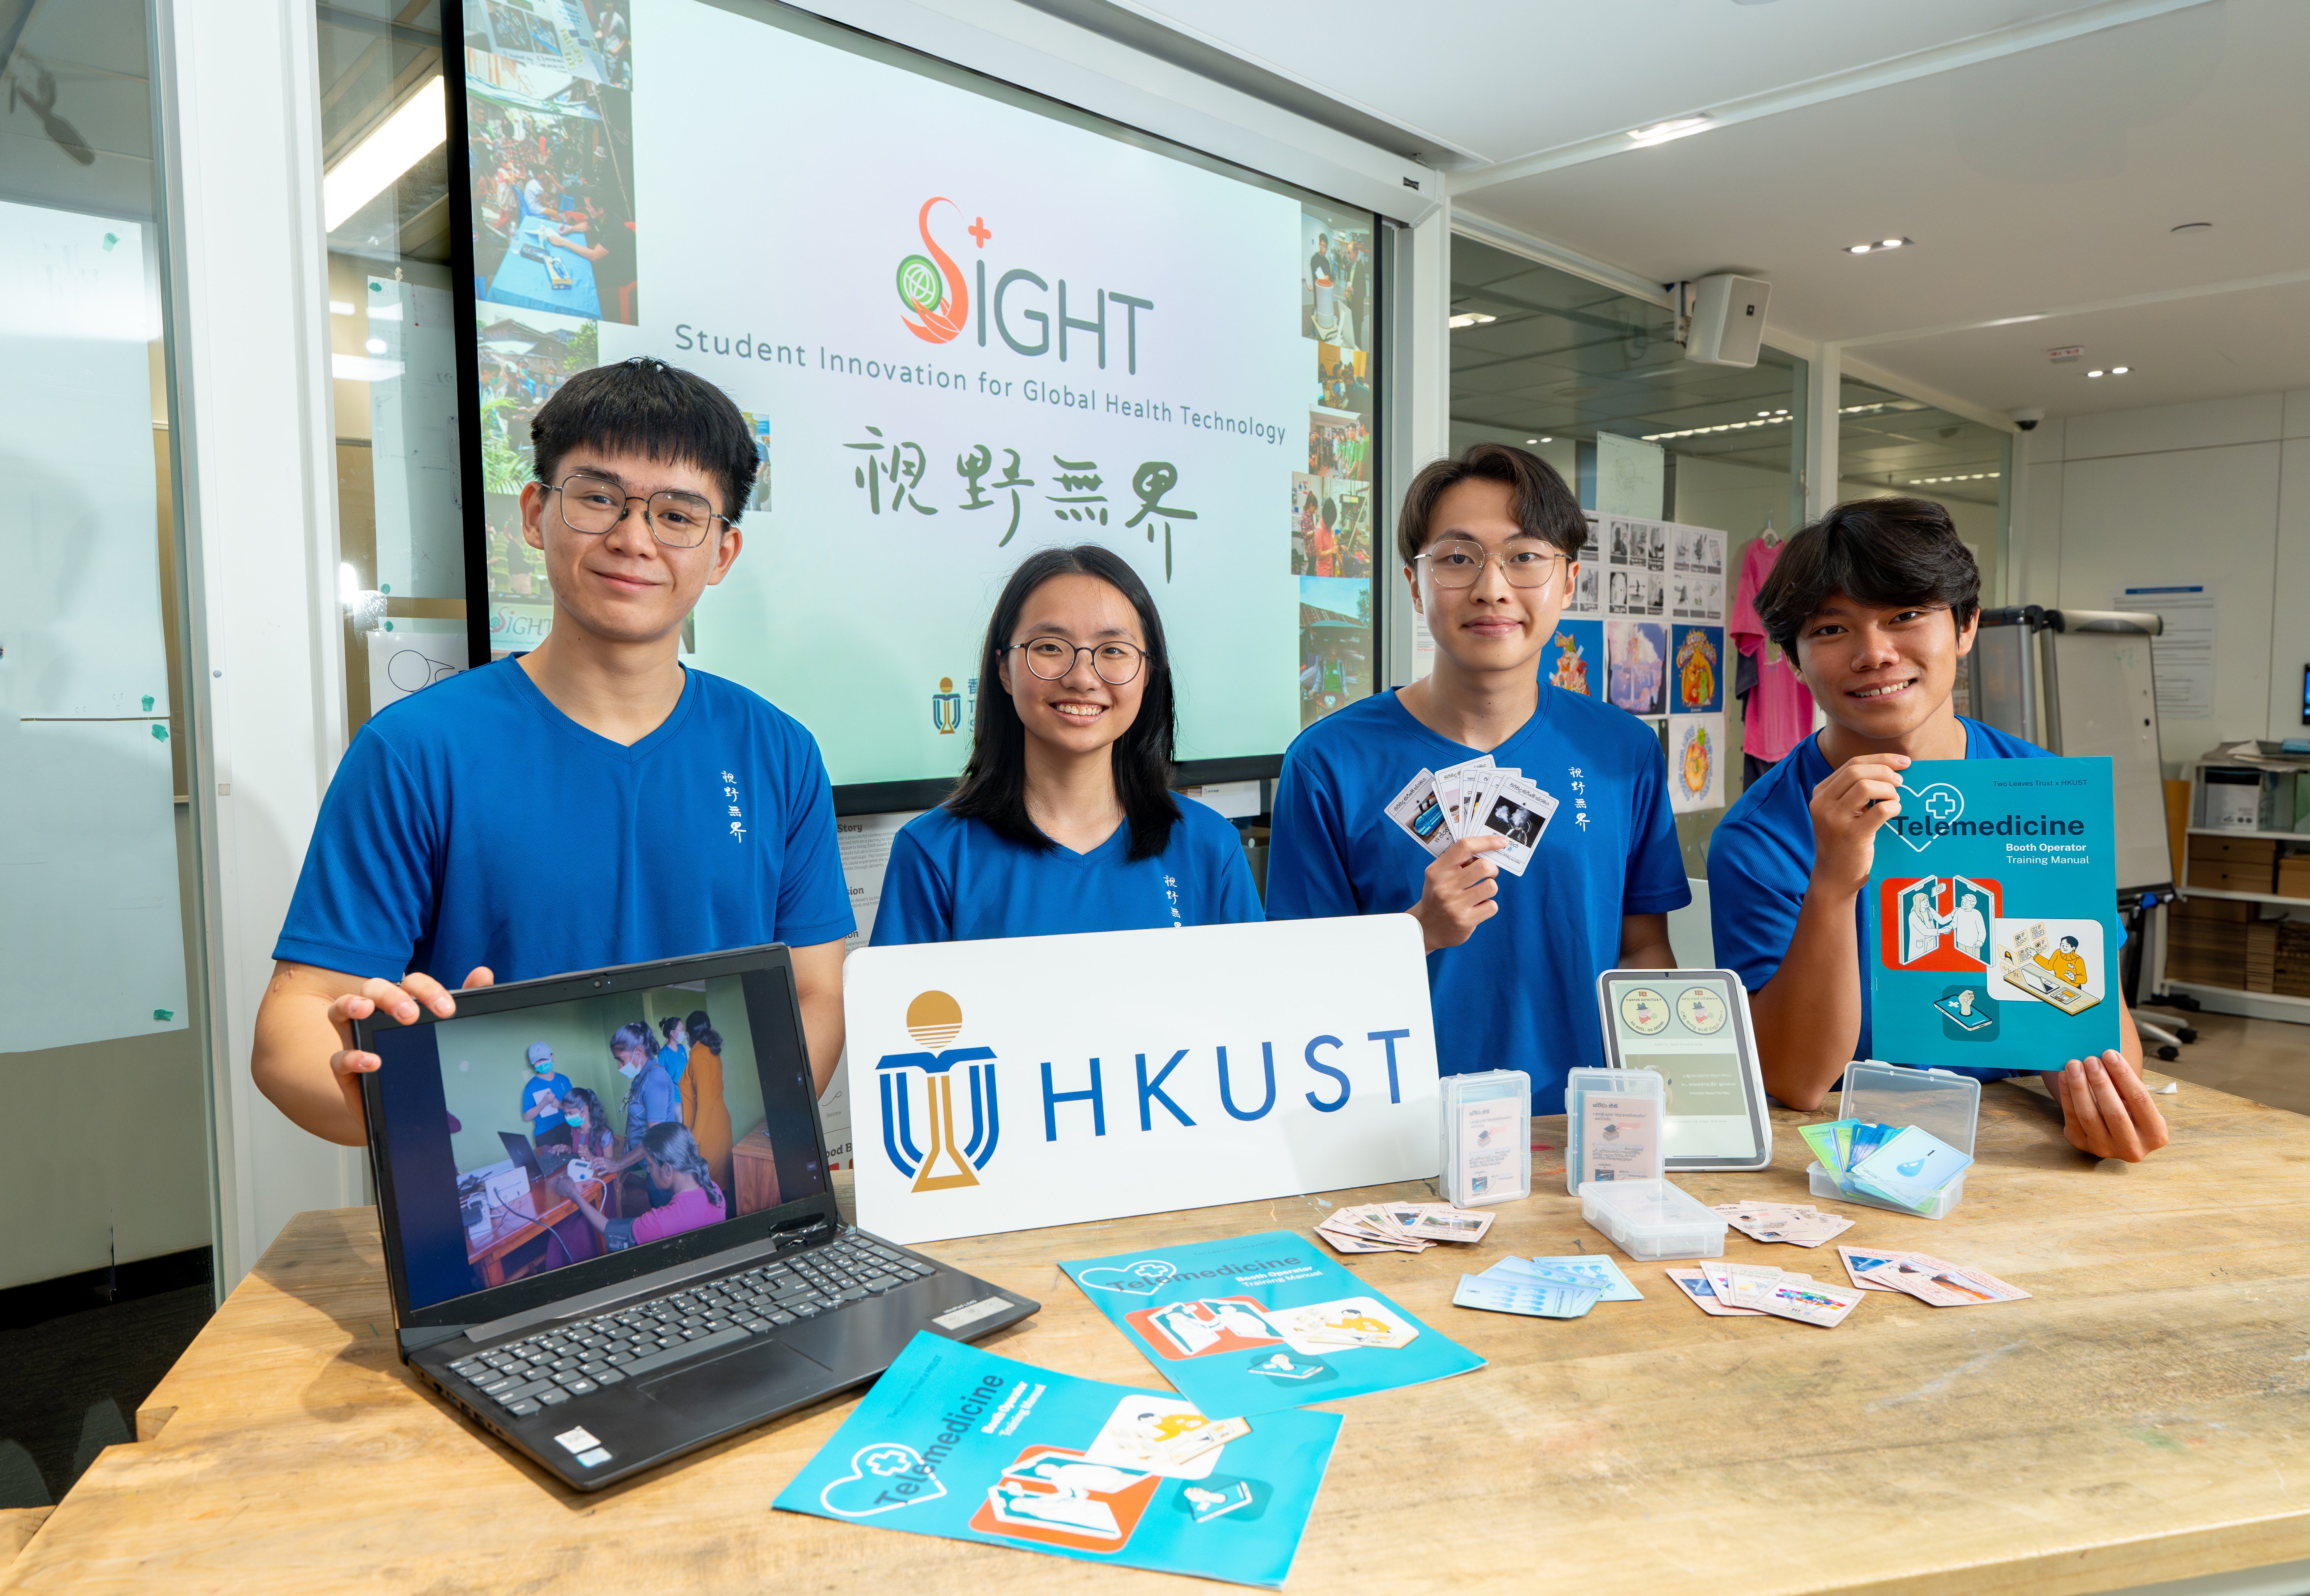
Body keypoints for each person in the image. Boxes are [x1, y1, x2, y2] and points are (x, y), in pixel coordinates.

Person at [251, 359, 854, 1148]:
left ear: (723, 551)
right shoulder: (416, 750)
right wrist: (402, 1098)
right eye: (598, 497)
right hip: (515, 1187)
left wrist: (722, 1153)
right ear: (535, 512)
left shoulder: (778, 752)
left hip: (713, 1196)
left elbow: (812, 998)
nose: (633, 538)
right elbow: (290, 1030)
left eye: (677, 515)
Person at [1706, 495, 2169, 1161]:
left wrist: (2097, 1106)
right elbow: (1794, 1080)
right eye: (1830, 631)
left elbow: (2086, 1036)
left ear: (1964, 626)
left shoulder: (2041, 794)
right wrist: (1832, 882)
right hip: (1834, 1157)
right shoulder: (1759, 835)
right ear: (1793, 657)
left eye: (1904, 616)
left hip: (2010, 1150)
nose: (1874, 654)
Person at [1265, 443, 1688, 1114]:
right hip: (1397, 1134)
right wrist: (1418, 931)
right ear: (1413, 583)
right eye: (1457, 559)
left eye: (1524, 558)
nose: (1492, 588)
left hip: (1582, 1133)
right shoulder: (1327, 762)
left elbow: (1644, 952)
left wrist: (1661, 1099)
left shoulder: (1622, 751)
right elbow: (1298, 987)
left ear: (1568, 581)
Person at [873, 545, 1262, 944]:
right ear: (1003, 670)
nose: (1082, 677)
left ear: (1147, 673)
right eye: (1049, 647)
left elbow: (1258, 1002)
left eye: (1112, 650)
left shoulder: (1210, 846)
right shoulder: (933, 854)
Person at [554, 1122, 723, 1250]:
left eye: (649, 1164)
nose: (648, 1170)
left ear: (667, 1169)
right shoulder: (714, 1190)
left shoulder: (660, 1223)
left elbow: (608, 1229)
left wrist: (573, 1192)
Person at [678, 1009, 736, 1195]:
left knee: (709, 1187)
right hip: (717, 1122)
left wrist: (693, 1140)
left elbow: (704, 1103)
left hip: (708, 1127)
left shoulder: (698, 1056)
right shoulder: (711, 1052)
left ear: (688, 1035)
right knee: (720, 1186)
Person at [517, 1042, 573, 1144]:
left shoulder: (564, 1080)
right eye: (538, 1062)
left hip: (567, 1127)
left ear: (552, 1057)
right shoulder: (531, 1087)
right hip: (545, 1133)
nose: (542, 1063)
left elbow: (575, 1107)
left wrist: (560, 1106)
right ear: (533, 1064)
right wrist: (544, 1103)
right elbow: (526, 1117)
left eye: (544, 1059)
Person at [1952, 890, 1988, 962]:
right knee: (1962, 961)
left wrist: (1980, 941)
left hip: (1973, 945)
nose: (1963, 903)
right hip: (1960, 943)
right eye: (1963, 901)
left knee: (1975, 962)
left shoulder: (1977, 913)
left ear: (1972, 905)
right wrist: (1950, 927)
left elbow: (1982, 930)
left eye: (1966, 902)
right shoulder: (1959, 911)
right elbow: (1954, 923)